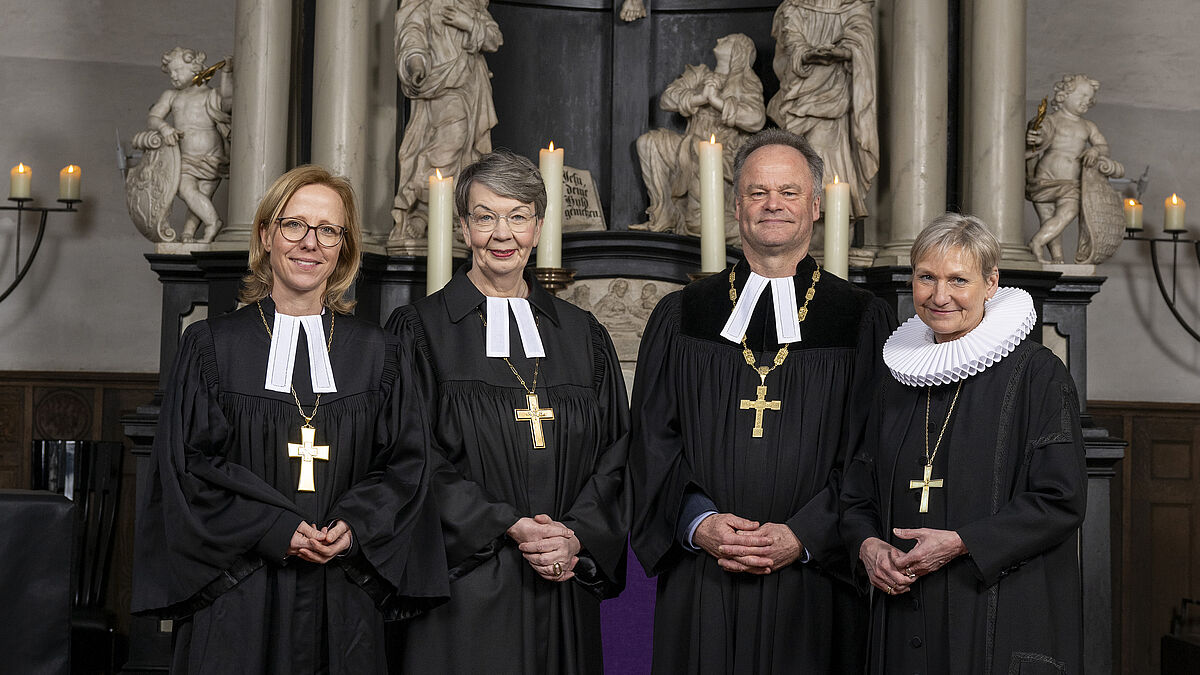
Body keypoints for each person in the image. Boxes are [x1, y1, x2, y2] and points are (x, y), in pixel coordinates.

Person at [133, 165, 448, 674]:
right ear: (266, 234)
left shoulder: (380, 353)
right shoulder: (212, 346)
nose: (310, 243)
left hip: (342, 589)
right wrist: (276, 528)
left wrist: (355, 524)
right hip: (238, 588)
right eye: (294, 225)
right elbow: (187, 468)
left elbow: (407, 464)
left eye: (328, 230)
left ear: (343, 248)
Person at [630, 128, 894, 673]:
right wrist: (697, 522)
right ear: (736, 205)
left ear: (816, 206)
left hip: (817, 581)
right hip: (703, 574)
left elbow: (871, 449)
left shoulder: (860, 319)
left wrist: (804, 534)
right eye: (757, 192)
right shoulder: (683, 316)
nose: (773, 204)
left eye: (790, 192)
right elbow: (652, 439)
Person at [386, 150, 630, 674]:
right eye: (485, 216)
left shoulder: (583, 334)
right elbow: (409, 452)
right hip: (465, 585)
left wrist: (573, 534)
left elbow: (618, 451)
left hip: (561, 577)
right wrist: (506, 524)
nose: (503, 234)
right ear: (463, 226)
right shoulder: (420, 331)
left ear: (539, 227)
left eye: (518, 216)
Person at [841, 213, 1087, 673]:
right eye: (926, 278)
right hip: (901, 612)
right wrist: (869, 547)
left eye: (959, 279)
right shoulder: (893, 379)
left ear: (991, 283)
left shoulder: (1037, 374)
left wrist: (961, 542)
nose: (939, 296)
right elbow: (857, 491)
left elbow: (1061, 499)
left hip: (995, 608)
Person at [634, 33, 765, 239]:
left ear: (738, 52)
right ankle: (664, 212)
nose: (720, 40)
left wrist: (715, 101)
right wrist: (699, 97)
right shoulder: (699, 74)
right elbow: (667, 100)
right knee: (648, 142)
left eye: (728, 40)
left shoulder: (746, 82)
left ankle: (700, 222)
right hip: (688, 145)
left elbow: (756, 119)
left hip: (726, 156)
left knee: (700, 151)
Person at [391, 0, 502, 241]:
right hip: (441, 86)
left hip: (472, 87)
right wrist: (416, 61)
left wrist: (469, 23)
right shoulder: (425, 4)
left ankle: (454, 214)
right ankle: (421, 209)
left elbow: (494, 38)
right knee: (449, 142)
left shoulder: (469, 5)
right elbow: (412, 32)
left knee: (466, 153)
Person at [767, 0, 878, 219]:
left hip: (833, 99)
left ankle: (823, 214)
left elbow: (861, 41)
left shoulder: (853, 5)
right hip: (799, 95)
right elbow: (791, 40)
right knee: (792, 160)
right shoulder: (794, 5)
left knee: (824, 158)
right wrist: (808, 54)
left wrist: (842, 52)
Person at [1026, 74, 1122, 263]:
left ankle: (1037, 242)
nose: (1087, 101)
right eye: (1083, 95)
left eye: (1090, 98)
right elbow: (1040, 136)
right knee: (1048, 218)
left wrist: (1095, 150)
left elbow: (1104, 147)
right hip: (1045, 177)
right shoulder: (1052, 120)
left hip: (1072, 182)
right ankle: (1057, 257)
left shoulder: (1088, 126)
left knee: (1068, 212)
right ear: (1064, 96)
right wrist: (1035, 139)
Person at [148, 47, 233, 242]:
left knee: (201, 195)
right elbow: (153, 117)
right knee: (186, 190)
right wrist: (164, 128)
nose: (174, 76)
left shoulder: (211, 95)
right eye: (171, 73)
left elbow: (228, 103)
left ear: (195, 68)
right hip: (185, 157)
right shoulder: (171, 95)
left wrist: (227, 73)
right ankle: (213, 222)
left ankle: (189, 233)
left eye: (177, 70)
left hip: (213, 155)